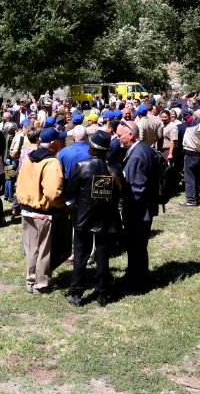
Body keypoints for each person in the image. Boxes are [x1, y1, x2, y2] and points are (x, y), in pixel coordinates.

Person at [64, 130, 121, 307]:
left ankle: (76, 292)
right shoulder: (115, 169)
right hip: (107, 218)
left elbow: (70, 191)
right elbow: (120, 192)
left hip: (84, 218)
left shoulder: (82, 166)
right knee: (103, 256)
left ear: (92, 148)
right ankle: (102, 293)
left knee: (80, 256)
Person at [15, 126, 66, 295]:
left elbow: (20, 182)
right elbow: (52, 193)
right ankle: (41, 284)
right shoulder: (52, 162)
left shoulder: (29, 157)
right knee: (44, 250)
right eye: (59, 140)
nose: (61, 142)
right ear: (53, 143)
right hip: (43, 212)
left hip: (26, 210)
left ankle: (30, 280)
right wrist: (62, 205)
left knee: (31, 248)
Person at [116, 120, 161, 292]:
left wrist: (127, 207)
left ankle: (137, 282)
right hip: (142, 210)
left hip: (138, 211)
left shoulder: (137, 155)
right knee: (138, 246)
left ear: (131, 135)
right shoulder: (142, 148)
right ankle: (135, 275)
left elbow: (137, 188)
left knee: (136, 246)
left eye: (120, 135)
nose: (118, 138)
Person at [181, 111, 200, 206]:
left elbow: (185, 113)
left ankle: (191, 200)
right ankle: (196, 198)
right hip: (199, 154)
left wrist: (186, 100)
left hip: (190, 154)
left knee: (189, 178)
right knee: (196, 177)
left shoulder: (193, 126)